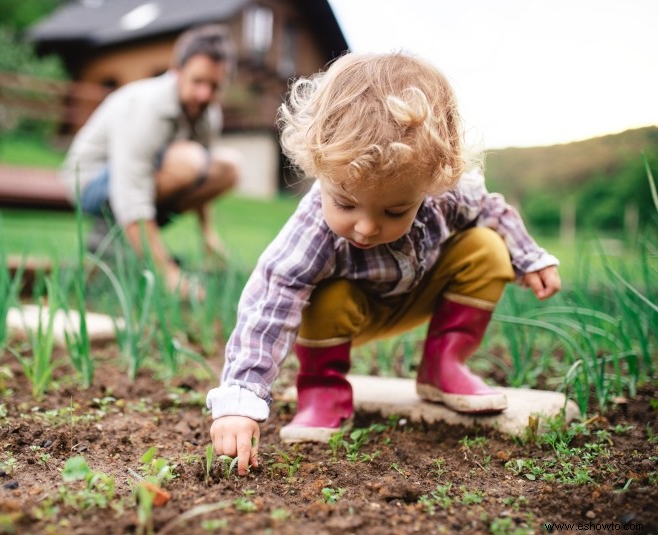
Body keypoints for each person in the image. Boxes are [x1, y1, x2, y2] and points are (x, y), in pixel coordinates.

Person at [206, 52, 561, 475]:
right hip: (346, 316)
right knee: (319, 293)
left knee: (486, 246)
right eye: (345, 203)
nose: (367, 227)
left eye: (395, 211)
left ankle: (443, 366)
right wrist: (240, 400)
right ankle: (322, 389)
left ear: (431, 182)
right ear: (319, 169)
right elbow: (270, 300)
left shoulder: (444, 193)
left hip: (418, 292)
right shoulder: (312, 228)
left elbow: (493, 210)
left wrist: (529, 257)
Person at [61, 24, 240, 296]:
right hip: (90, 182)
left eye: (214, 86)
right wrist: (168, 273)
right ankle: (116, 241)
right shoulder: (147, 106)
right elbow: (131, 190)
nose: (204, 94)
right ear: (176, 72)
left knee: (227, 168)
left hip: (141, 179)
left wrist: (208, 235)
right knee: (190, 159)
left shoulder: (208, 113)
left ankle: (127, 243)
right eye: (197, 82)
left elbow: (204, 177)